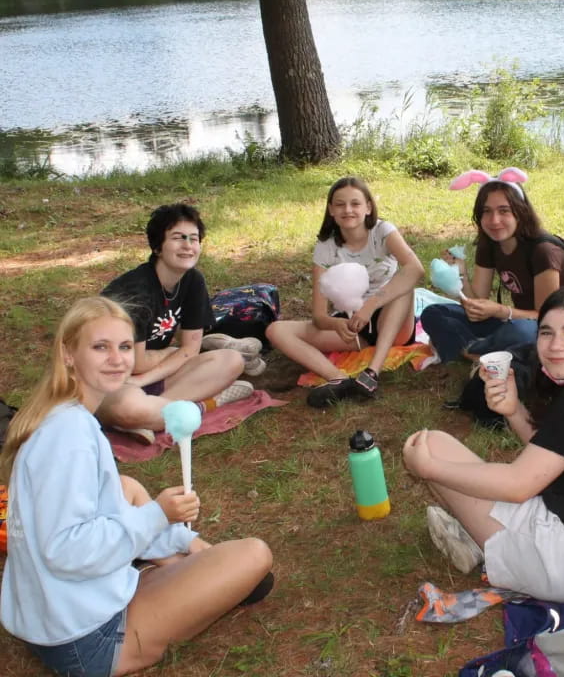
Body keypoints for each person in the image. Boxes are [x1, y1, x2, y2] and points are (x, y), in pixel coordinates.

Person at [0, 297, 273, 677]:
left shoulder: (64, 415)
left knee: (125, 485)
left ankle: (185, 559)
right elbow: (63, 549)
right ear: (68, 354)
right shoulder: (70, 438)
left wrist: (173, 536)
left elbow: (98, 513)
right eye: (100, 347)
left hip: (46, 615)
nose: (117, 358)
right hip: (84, 640)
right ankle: (190, 566)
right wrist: (158, 515)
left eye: (125, 347)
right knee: (254, 556)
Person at [404, 284, 564, 602]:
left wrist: (429, 468)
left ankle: (481, 547)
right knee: (464, 470)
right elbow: (555, 454)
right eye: (546, 332)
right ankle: (482, 539)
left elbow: (519, 484)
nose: (556, 346)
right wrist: (514, 410)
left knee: (433, 445)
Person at [99, 204, 257, 442]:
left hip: (150, 378)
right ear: (157, 247)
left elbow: (190, 349)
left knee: (232, 360)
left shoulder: (192, 281)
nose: (188, 246)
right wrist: (174, 352)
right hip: (113, 379)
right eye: (177, 238)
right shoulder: (135, 292)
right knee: (129, 408)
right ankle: (206, 404)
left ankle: (149, 419)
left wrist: (157, 368)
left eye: (194, 239)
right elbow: (137, 363)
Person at [266, 176, 424, 407]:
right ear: (331, 210)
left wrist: (370, 307)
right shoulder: (325, 247)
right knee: (275, 330)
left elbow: (415, 269)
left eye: (355, 203)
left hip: (392, 322)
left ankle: (371, 375)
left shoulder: (383, 232)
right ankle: (338, 379)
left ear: (368, 207)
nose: (348, 210)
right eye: (340, 204)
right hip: (353, 329)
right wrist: (336, 325)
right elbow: (319, 316)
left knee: (404, 284)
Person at [421, 171, 564, 362]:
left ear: (520, 212)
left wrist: (501, 311)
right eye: (486, 211)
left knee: (522, 333)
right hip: (513, 320)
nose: (494, 220)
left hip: (550, 327)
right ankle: (479, 352)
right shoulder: (490, 244)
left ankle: (469, 348)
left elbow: (547, 317)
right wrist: (461, 274)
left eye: (504, 211)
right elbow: (477, 303)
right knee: (434, 313)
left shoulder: (544, 252)